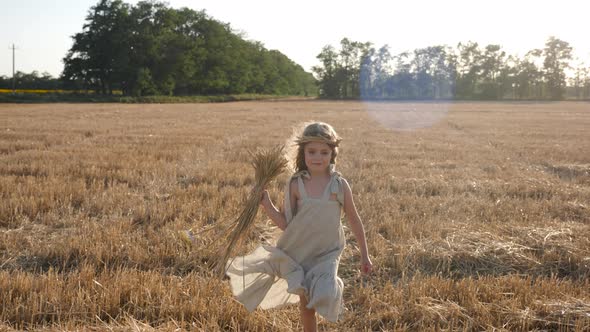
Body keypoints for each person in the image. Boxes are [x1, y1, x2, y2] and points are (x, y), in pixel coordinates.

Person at [226, 121, 372, 332]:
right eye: (311, 151)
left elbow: (354, 220)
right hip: (300, 253)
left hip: (327, 253)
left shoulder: (339, 185)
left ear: (333, 154)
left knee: (325, 292)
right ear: (302, 153)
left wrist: (365, 255)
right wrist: (267, 204)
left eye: (324, 152)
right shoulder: (296, 184)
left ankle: (329, 292)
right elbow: (287, 224)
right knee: (307, 305)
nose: (317, 157)